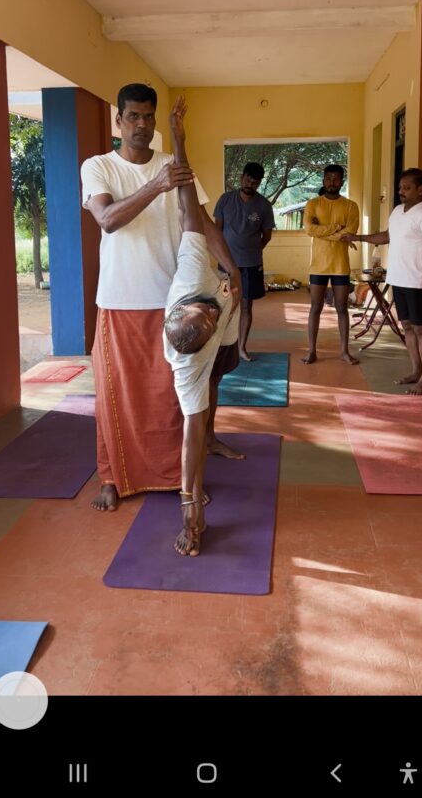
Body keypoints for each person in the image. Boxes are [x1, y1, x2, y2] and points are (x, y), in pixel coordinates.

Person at [81, 84, 242, 512]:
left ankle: (177, 478)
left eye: (148, 117)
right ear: (118, 120)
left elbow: (200, 218)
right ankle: (111, 477)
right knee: (114, 393)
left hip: (174, 302)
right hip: (118, 300)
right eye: (133, 116)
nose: (141, 125)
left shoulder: (173, 164)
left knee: (172, 397)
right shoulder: (98, 166)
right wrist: (156, 186)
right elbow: (107, 219)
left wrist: (232, 268)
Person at [163, 98, 240, 556]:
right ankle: (194, 506)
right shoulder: (186, 366)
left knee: (224, 369)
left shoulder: (191, 278)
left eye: (205, 312)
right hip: (207, 348)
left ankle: (218, 429)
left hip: (222, 297)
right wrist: (189, 502)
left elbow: (189, 202)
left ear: (186, 307)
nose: (210, 313)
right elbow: (186, 436)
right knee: (196, 414)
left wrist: (179, 139)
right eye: (210, 320)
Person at [342, 167, 422, 395]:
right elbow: (386, 236)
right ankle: (416, 371)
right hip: (398, 278)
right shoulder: (397, 211)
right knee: (407, 327)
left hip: (417, 280)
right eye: (400, 187)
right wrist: (358, 237)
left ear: (421, 189)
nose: (401, 191)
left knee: (421, 329)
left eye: (407, 188)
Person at [214, 162, 275, 361]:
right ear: (242, 178)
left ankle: (241, 348)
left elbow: (266, 236)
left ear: (259, 183)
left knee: (246, 306)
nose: (250, 184)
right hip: (226, 264)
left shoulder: (264, 205)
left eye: (255, 182)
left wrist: (252, 251)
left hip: (251, 265)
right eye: (248, 180)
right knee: (225, 304)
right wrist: (222, 255)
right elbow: (217, 230)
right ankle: (221, 347)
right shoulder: (225, 200)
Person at [302, 164, 360, 365]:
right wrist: (336, 228)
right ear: (323, 180)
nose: (332, 182)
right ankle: (311, 351)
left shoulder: (351, 206)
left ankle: (344, 351)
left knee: (342, 308)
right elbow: (309, 230)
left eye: (336, 178)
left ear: (342, 181)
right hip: (318, 265)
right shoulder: (313, 203)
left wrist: (323, 230)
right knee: (315, 307)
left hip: (340, 266)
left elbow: (349, 233)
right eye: (328, 178)